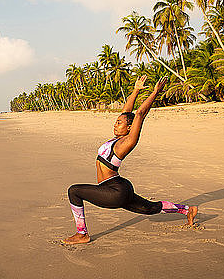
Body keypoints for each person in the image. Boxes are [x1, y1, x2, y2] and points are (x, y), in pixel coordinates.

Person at [63, 75, 198, 245]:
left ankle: (82, 234)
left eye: (119, 123)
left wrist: (155, 93)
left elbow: (139, 114)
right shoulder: (117, 140)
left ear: (129, 128)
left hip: (115, 192)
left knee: (74, 191)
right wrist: (135, 90)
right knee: (150, 208)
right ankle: (187, 210)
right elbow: (128, 112)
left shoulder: (127, 143)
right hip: (118, 187)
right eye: (116, 122)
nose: (115, 124)